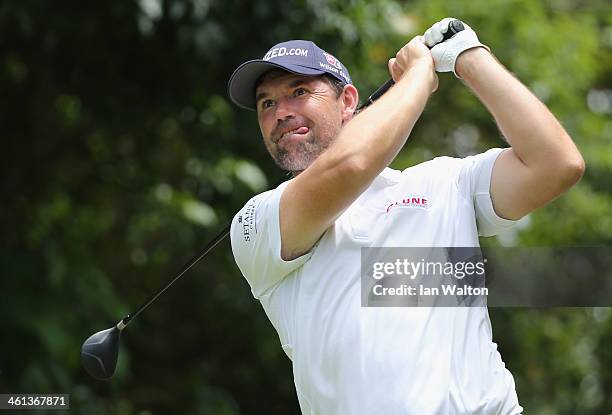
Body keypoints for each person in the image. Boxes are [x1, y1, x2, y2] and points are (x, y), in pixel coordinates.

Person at [226, 18, 584, 415]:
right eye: (267, 102)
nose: (281, 113)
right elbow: (351, 165)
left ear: (348, 102)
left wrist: (468, 57)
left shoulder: (446, 182)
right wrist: (418, 77)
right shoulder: (258, 222)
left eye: (299, 91)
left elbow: (557, 164)